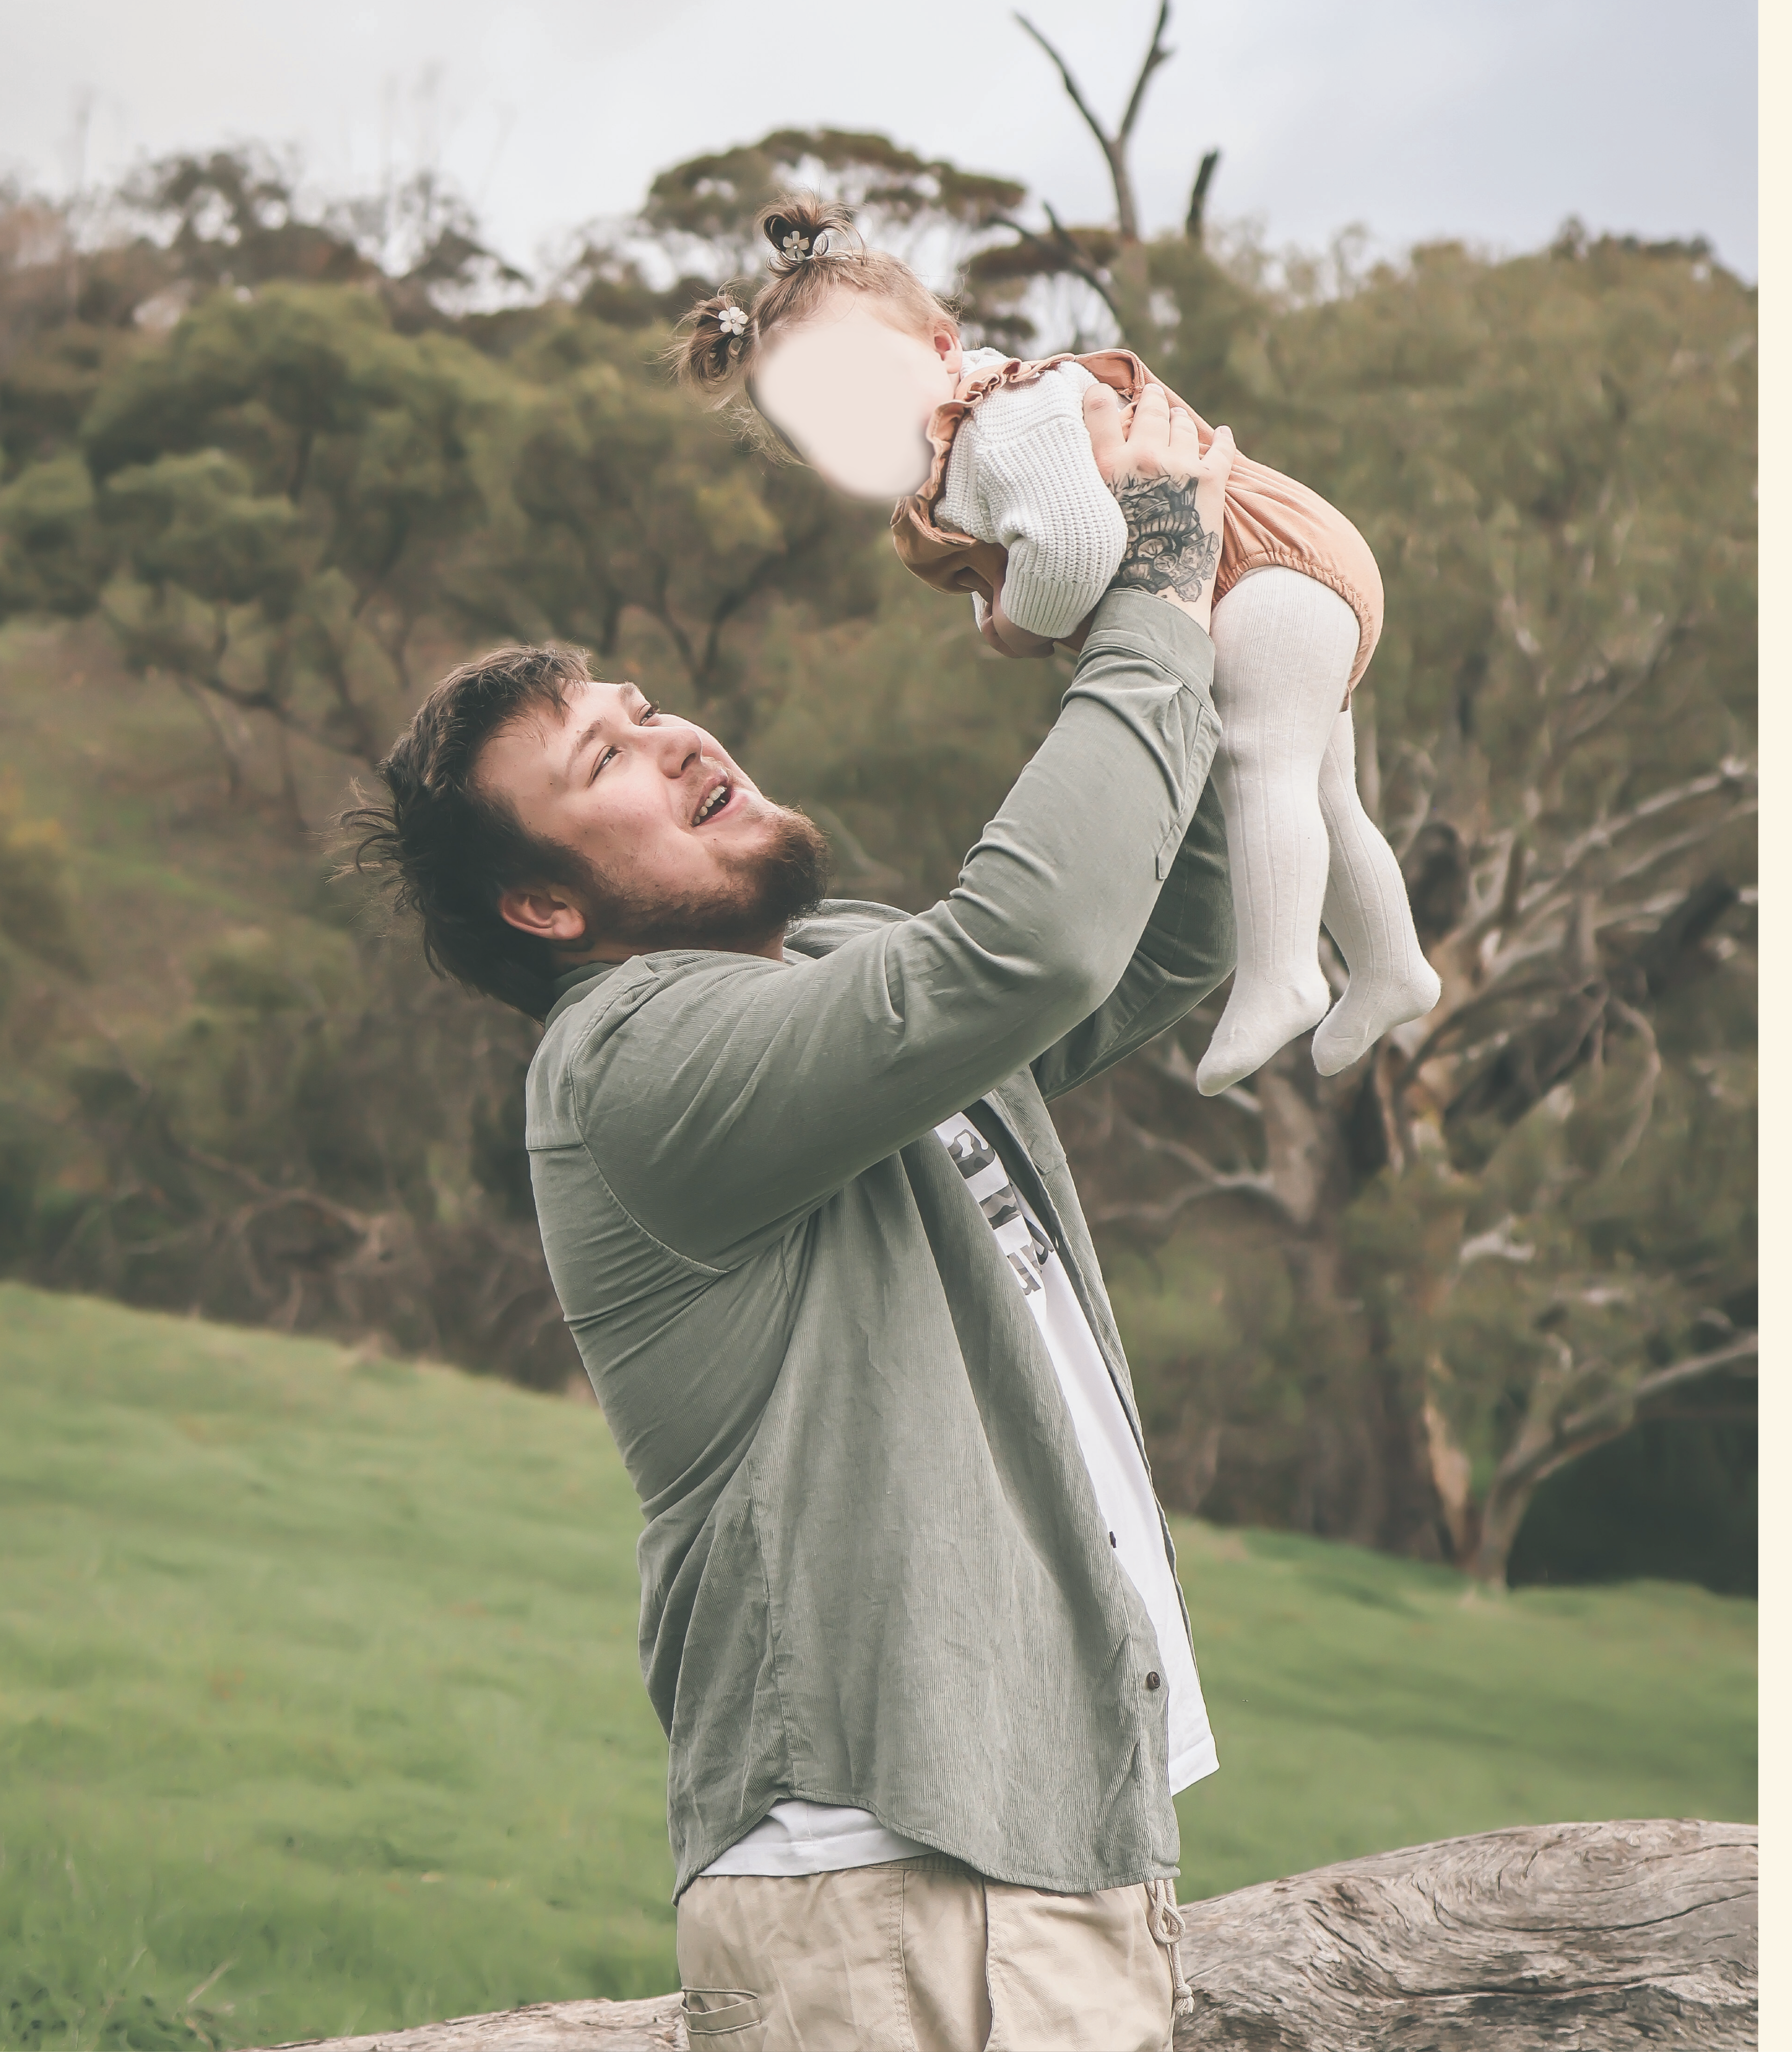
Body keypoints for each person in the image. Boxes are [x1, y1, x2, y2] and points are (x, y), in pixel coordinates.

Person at [347, 388, 1238, 2052]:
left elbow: (1164, 937)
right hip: (884, 1882)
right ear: (543, 904)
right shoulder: (624, 1061)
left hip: (1045, 1851)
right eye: (604, 759)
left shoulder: (834, 976)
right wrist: (1157, 582)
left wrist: (1231, 594)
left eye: (646, 705)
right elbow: (1031, 943)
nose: (675, 733)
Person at [673, 193, 1440, 1097]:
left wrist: (1014, 628)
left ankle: (1283, 976)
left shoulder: (1005, 418)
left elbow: (1074, 550)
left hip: (1259, 572)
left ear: (941, 347)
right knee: (1324, 790)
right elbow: (1034, 539)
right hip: (1284, 570)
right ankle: (1392, 965)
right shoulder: (963, 457)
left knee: (1257, 766)